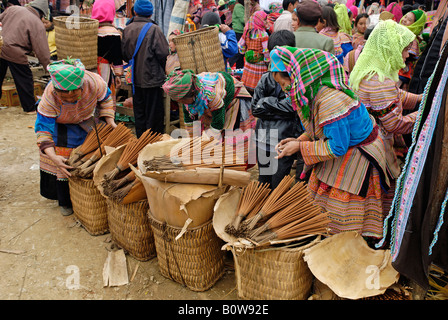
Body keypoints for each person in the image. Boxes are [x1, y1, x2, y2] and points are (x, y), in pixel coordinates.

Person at [271, 46, 392, 239]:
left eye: (284, 83)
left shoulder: (330, 101)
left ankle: (348, 244)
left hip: (358, 154)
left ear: (298, 75)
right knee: (322, 200)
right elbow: (320, 128)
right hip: (346, 146)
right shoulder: (314, 89)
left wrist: (300, 147)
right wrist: (300, 139)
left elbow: (338, 146)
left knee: (343, 213)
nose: (284, 89)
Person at [35, 59, 117, 216]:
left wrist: (110, 121)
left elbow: (106, 99)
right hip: (61, 125)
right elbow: (43, 130)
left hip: (86, 120)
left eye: (74, 94)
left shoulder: (94, 82)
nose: (70, 99)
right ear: (56, 91)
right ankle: (65, 201)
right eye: (64, 97)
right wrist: (53, 157)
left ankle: (92, 197)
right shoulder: (49, 96)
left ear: (82, 87)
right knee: (65, 161)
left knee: (92, 155)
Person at [349, 20, 422, 185]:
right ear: (390, 50)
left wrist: (419, 98)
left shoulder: (368, 71)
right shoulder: (380, 81)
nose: (406, 55)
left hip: (361, 146)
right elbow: (393, 124)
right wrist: (423, 114)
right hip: (374, 154)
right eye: (403, 49)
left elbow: (395, 95)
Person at [162, 69, 256, 162]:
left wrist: (205, 143)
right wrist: (193, 143)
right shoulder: (187, 98)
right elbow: (190, 122)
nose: (180, 103)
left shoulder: (210, 94)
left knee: (230, 135)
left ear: (191, 94)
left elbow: (218, 123)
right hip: (216, 103)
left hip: (232, 97)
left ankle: (234, 163)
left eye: (181, 101)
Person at [251, 30, 303, 189]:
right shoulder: (266, 78)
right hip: (263, 140)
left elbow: (294, 106)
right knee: (263, 181)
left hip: (283, 141)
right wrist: (280, 104)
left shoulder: (296, 78)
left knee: (277, 183)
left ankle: (271, 211)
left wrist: (265, 103)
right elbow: (255, 108)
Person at [121, 0, 169, 137]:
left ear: (135, 11)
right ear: (150, 13)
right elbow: (163, 54)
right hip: (152, 79)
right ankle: (152, 145)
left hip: (135, 79)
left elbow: (125, 54)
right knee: (154, 116)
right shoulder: (154, 29)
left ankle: (141, 144)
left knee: (140, 115)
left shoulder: (127, 29)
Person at [0, 0, 50, 114]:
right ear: (42, 14)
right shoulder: (36, 22)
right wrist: (48, 67)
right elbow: (42, 50)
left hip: (1, 46)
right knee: (24, 78)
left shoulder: (13, 9)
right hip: (15, 51)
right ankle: (30, 108)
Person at [91, 0, 124, 106]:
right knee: (103, 94)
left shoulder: (89, 29)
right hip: (104, 69)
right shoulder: (113, 33)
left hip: (89, 68)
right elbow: (117, 56)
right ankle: (104, 119)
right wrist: (118, 75)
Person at [238, 10, 270, 93]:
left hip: (249, 65)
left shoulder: (247, 32)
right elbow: (266, 52)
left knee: (248, 85)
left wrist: (247, 52)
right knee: (259, 87)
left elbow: (241, 47)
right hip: (260, 65)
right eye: (264, 19)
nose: (266, 21)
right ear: (259, 21)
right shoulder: (263, 34)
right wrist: (267, 62)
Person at [398, 9, 427, 89]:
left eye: (409, 20)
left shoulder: (412, 39)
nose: (405, 20)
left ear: (416, 24)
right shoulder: (399, 32)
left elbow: (409, 56)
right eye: (405, 17)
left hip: (402, 73)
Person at [228, 0, 245, 69]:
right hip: (239, 32)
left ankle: (239, 69)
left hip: (239, 31)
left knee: (240, 54)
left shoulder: (238, 6)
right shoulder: (239, 6)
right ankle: (229, 65)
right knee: (238, 52)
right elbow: (243, 19)